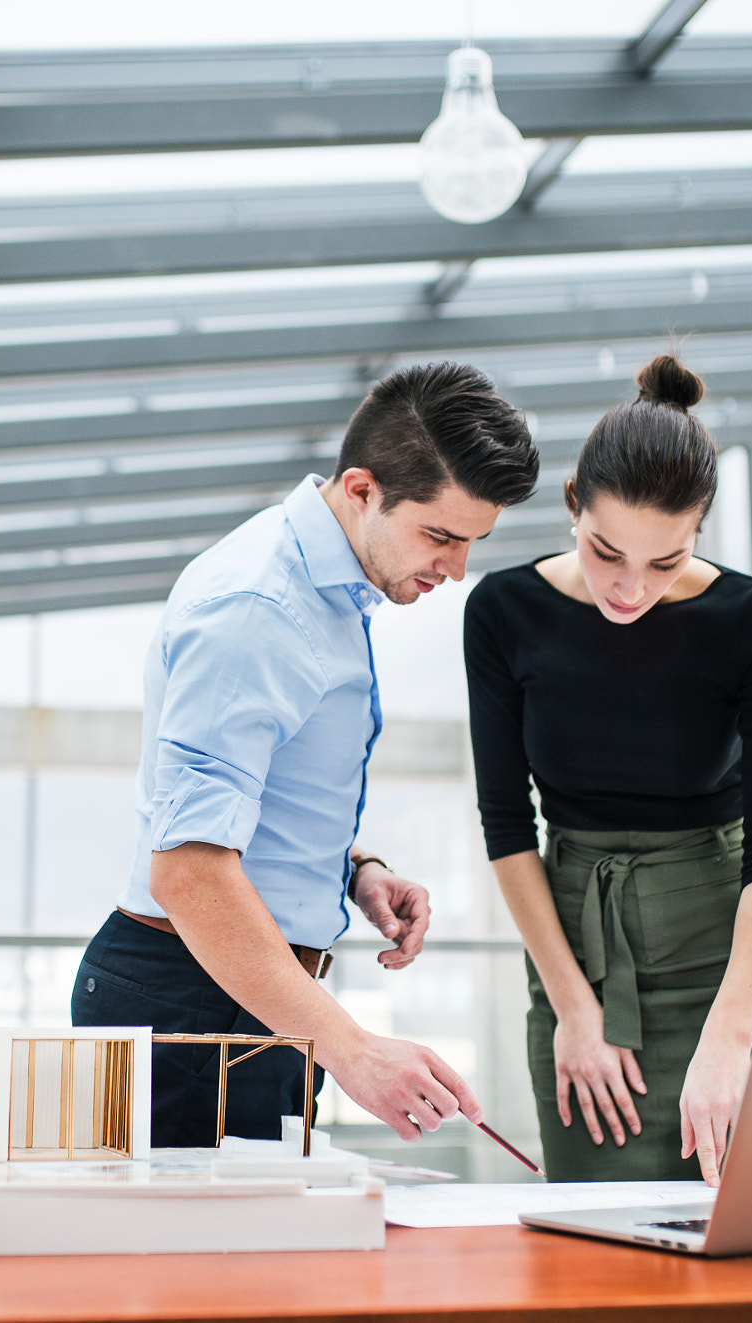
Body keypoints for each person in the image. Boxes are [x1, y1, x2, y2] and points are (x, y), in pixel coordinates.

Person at [74, 361, 543, 1146]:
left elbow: (246, 792)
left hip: (250, 991)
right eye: (440, 536)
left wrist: (352, 865)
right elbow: (187, 871)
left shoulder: (326, 588)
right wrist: (355, 1050)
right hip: (194, 1000)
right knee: (198, 1267)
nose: (457, 569)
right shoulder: (259, 607)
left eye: (471, 543)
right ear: (361, 489)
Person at [462, 354, 752, 1186]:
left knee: (751, 1229)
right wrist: (574, 1007)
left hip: (726, 955)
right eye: (607, 551)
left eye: (666, 561)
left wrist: (732, 1032)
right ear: (574, 503)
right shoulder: (504, 612)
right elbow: (508, 826)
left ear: (698, 532)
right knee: (598, 1251)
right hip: (578, 948)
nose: (630, 588)